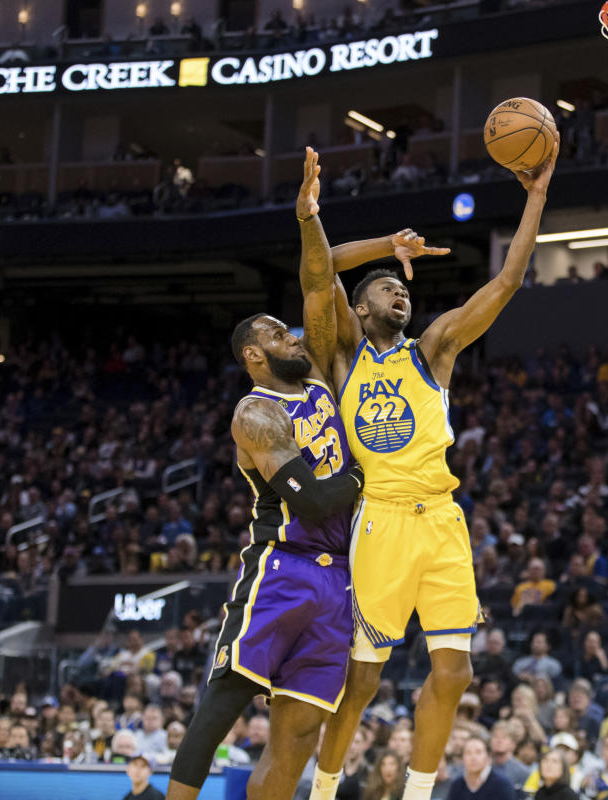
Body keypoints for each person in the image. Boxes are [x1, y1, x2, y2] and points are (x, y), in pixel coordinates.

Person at [308, 136, 558, 800]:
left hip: (442, 522)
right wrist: (388, 246)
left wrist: (534, 196)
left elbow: (506, 282)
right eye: (387, 291)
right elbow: (322, 262)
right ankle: (326, 788)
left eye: (402, 291)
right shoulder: (344, 359)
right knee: (362, 680)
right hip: (380, 522)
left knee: (455, 676)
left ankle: (418, 793)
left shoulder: (435, 348)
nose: (400, 297)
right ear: (361, 310)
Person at [168, 151, 378, 800]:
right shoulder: (255, 411)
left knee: (294, 742)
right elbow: (313, 500)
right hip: (282, 567)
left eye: (288, 331)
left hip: (340, 579)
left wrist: (309, 217)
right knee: (224, 698)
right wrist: (370, 474)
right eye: (275, 335)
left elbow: (318, 281)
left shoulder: (313, 370)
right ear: (254, 356)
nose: (291, 336)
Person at [447, 735, 514, 800]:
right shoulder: (457, 785)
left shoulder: (502, 784)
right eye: (468, 753)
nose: (473, 757)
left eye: (478, 752)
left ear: (488, 757)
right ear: (462, 758)